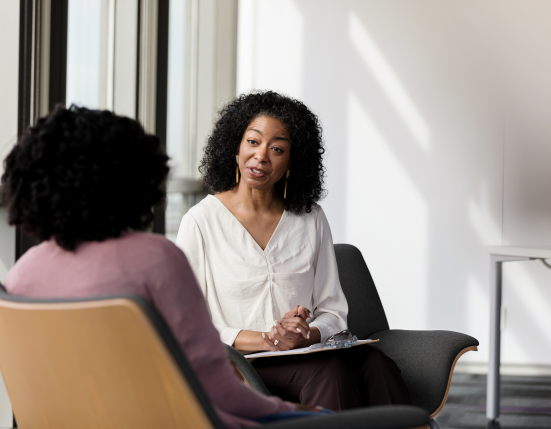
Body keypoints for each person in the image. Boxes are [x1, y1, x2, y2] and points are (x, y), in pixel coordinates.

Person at [1, 105, 323, 429]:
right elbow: (216, 387)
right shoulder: (156, 260)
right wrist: (301, 411)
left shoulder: (20, 277)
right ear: (134, 179)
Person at [176, 91, 412, 410]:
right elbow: (187, 324)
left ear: (291, 161)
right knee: (330, 371)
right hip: (242, 363)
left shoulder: (309, 218)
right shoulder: (201, 222)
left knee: (374, 362)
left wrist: (307, 335)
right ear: (235, 145)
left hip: (305, 352)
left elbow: (333, 311)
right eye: (253, 142)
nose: (261, 156)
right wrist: (267, 340)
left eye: (277, 149)